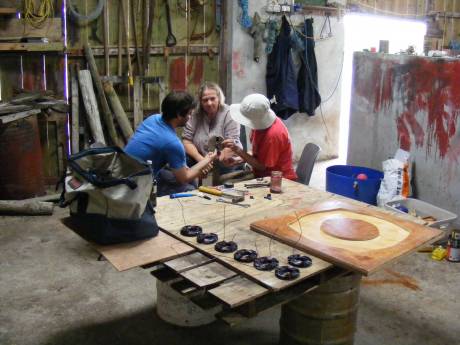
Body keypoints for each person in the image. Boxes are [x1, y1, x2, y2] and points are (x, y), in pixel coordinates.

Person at [125, 91, 216, 197]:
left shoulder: (153, 118)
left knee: (189, 178)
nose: (190, 117)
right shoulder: (172, 143)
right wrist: (203, 166)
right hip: (134, 186)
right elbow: (183, 178)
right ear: (178, 114)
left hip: (125, 170)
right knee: (190, 190)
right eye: (189, 114)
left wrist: (205, 161)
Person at [222, 93, 298, 180]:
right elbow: (255, 152)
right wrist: (238, 160)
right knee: (223, 179)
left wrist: (238, 150)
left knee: (227, 184)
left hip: (277, 178)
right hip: (261, 172)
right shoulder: (259, 123)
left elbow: (262, 166)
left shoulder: (273, 135)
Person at [182, 82, 243, 172]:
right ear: (201, 102)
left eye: (212, 99)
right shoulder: (195, 114)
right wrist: (201, 160)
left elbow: (232, 145)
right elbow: (186, 141)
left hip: (224, 160)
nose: (209, 103)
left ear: (219, 98)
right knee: (182, 159)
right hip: (200, 158)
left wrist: (213, 159)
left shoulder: (230, 114)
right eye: (205, 100)